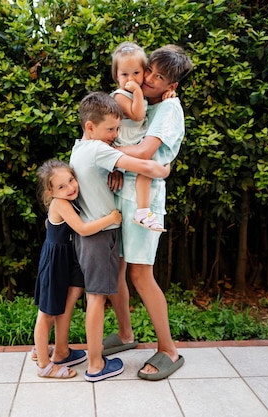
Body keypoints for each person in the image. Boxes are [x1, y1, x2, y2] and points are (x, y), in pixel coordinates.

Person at [105, 44, 194, 381]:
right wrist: (113, 163)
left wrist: (107, 153)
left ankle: (169, 349)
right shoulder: (142, 103)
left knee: (141, 274)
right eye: (150, 72)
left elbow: (144, 152)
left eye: (160, 78)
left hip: (142, 200)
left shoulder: (169, 110)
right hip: (119, 192)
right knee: (115, 267)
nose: (150, 80)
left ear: (172, 85)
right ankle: (126, 335)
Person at [69, 91, 171, 382]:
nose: (116, 136)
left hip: (92, 236)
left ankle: (102, 350)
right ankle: (95, 365)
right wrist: (164, 166)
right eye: (111, 129)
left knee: (98, 295)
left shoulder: (79, 149)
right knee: (97, 299)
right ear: (90, 127)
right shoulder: (99, 150)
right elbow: (144, 165)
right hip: (100, 237)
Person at [33, 159, 122, 379]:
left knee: (63, 305)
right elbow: (82, 228)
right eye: (62, 186)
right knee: (47, 313)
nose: (71, 188)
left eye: (72, 180)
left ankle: (60, 351)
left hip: (67, 259)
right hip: (55, 262)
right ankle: (44, 364)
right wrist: (111, 218)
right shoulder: (60, 203)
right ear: (50, 191)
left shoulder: (68, 200)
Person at [110, 41, 171, 232]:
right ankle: (143, 212)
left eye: (136, 73)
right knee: (148, 168)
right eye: (124, 74)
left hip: (134, 145)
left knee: (149, 171)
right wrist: (136, 91)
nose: (131, 79)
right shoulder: (120, 95)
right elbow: (137, 115)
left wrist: (167, 94)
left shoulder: (141, 95)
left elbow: (148, 108)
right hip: (122, 147)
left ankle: (143, 211)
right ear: (116, 76)